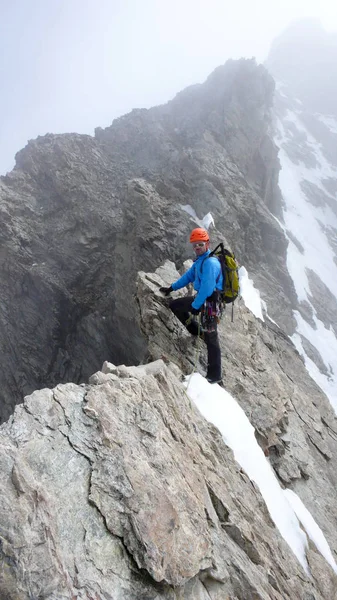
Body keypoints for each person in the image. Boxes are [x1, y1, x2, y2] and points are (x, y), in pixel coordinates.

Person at [159, 227, 223, 383]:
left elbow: (207, 288)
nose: (197, 248)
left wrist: (195, 305)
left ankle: (215, 375)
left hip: (212, 303)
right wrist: (172, 288)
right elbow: (188, 277)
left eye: (200, 244)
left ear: (207, 244)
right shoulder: (200, 261)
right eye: (194, 245)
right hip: (204, 299)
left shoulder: (210, 263)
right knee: (175, 305)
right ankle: (195, 330)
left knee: (211, 338)